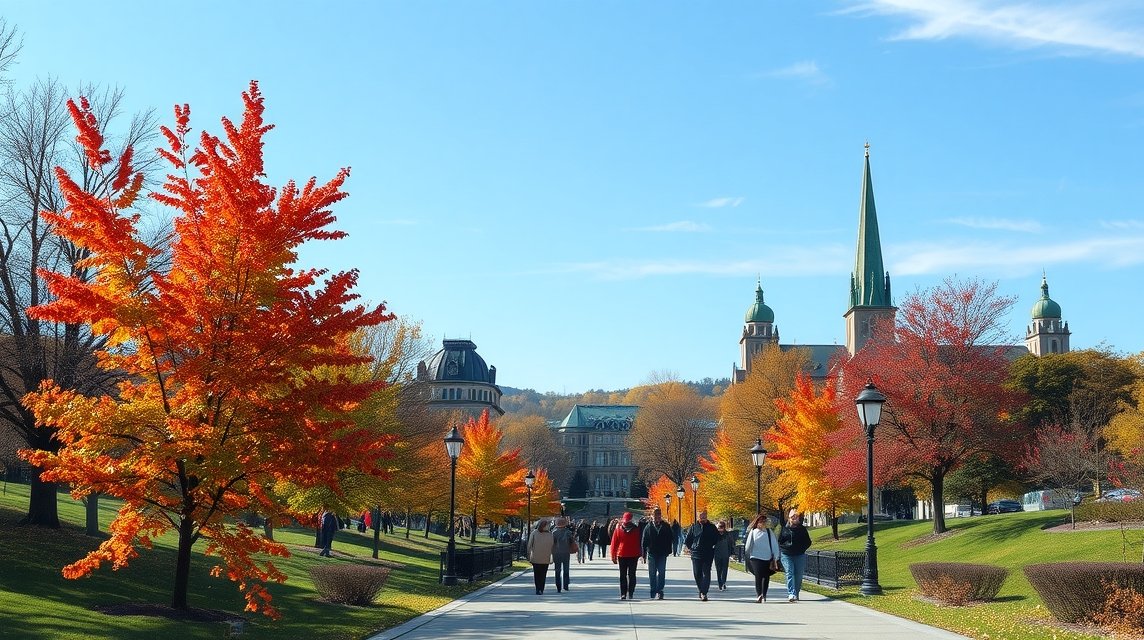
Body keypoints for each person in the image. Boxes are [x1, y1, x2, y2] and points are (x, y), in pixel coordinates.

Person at [743, 514, 781, 603]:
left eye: (764, 521)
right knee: (758, 576)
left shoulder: (769, 532)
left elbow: (774, 544)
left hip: (767, 557)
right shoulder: (753, 532)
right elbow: (748, 545)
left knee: (766, 577)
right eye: (761, 521)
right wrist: (747, 556)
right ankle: (759, 595)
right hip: (755, 557)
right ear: (757, 523)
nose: (763, 523)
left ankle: (764, 594)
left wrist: (776, 557)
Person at [683, 510, 719, 601]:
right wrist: (691, 548)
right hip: (696, 553)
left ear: (707, 516)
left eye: (704, 516)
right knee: (697, 573)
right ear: (698, 517)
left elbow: (717, 538)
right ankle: (701, 589)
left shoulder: (712, 527)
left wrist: (712, 545)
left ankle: (704, 592)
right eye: (701, 516)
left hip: (708, 553)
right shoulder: (694, 527)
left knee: (706, 572)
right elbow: (688, 540)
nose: (703, 518)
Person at [778, 508, 813, 602]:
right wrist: (784, 548)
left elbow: (808, 542)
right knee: (790, 572)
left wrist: (801, 549)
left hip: (799, 554)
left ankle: (796, 593)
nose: (794, 518)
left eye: (796, 517)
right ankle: (791, 593)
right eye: (792, 517)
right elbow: (779, 541)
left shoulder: (802, 529)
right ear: (789, 518)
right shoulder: (784, 529)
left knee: (798, 575)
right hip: (786, 554)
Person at [641, 506, 674, 600]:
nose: (657, 518)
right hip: (652, 553)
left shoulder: (666, 526)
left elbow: (671, 538)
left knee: (662, 572)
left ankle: (660, 590)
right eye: (655, 516)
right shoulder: (648, 527)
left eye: (659, 516)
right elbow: (644, 541)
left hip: (662, 553)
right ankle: (653, 590)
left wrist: (668, 550)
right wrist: (643, 554)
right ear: (652, 516)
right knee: (652, 573)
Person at [611, 512, 642, 600]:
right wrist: (642, 553)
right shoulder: (636, 529)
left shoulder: (618, 528)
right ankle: (630, 592)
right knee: (631, 575)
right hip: (633, 555)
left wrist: (613, 554)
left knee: (623, 575)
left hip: (622, 554)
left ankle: (623, 593)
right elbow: (639, 542)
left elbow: (614, 542)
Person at [527, 520, 555, 595]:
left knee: (537, 574)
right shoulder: (550, 535)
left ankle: (538, 588)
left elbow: (529, 544)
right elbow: (553, 547)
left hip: (536, 557)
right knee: (543, 574)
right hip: (546, 558)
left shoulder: (534, 533)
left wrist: (529, 554)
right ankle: (541, 589)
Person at [551, 516, 574, 592]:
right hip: (566, 552)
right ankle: (566, 585)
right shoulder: (568, 532)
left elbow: (552, 543)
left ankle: (558, 586)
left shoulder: (553, 532)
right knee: (566, 570)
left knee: (557, 570)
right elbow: (571, 541)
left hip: (556, 553)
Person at [712, 519, 734, 591]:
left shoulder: (728, 535)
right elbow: (711, 544)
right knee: (718, 570)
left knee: (724, 569)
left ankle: (723, 582)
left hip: (725, 554)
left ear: (724, 527)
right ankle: (720, 583)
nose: (720, 528)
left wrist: (732, 553)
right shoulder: (715, 535)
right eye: (719, 527)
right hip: (717, 555)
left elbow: (731, 544)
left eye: (721, 527)